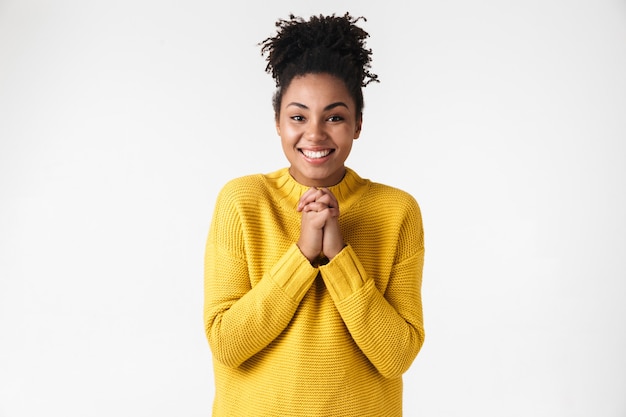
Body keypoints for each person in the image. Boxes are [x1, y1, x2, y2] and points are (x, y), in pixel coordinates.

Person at [204, 13, 425, 416]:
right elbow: (227, 344)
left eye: (335, 117)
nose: (316, 134)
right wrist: (302, 255)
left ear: (358, 123)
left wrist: (339, 256)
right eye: (298, 116)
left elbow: (396, 358)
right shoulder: (242, 201)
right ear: (278, 122)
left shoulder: (396, 211)